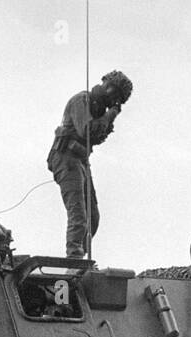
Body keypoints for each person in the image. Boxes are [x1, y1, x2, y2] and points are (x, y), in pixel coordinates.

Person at [46, 69, 133, 258]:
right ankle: (74, 256)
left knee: (92, 218)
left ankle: (79, 258)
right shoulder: (82, 100)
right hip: (66, 158)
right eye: (115, 95)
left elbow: (97, 137)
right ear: (108, 87)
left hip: (80, 160)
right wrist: (109, 117)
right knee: (78, 215)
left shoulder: (98, 111)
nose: (114, 101)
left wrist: (108, 118)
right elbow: (86, 131)